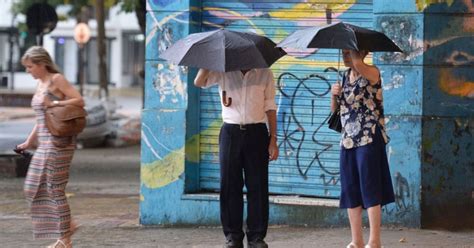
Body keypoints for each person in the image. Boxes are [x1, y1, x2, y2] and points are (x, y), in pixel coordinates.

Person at [194, 68, 279, 248]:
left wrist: (273, 140)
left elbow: (270, 107)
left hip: (257, 132)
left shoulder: (264, 73)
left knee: (258, 186)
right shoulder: (224, 71)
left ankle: (256, 237)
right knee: (230, 185)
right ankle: (233, 236)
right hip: (230, 132)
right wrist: (206, 65)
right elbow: (199, 83)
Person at [17, 46, 84, 248]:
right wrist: (29, 142)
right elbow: (41, 118)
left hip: (59, 143)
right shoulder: (40, 83)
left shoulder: (57, 80)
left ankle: (65, 240)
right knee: (31, 188)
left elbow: (79, 101)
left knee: (55, 189)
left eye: (30, 66)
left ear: (41, 64)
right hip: (44, 143)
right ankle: (68, 225)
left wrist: (54, 103)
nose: (28, 71)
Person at [330, 49, 395, 248]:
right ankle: (356, 240)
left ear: (362, 52)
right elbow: (336, 112)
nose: (345, 56)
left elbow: (360, 66)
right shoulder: (344, 76)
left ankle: (374, 241)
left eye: (349, 52)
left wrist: (358, 56)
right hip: (348, 140)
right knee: (350, 189)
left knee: (370, 187)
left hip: (369, 137)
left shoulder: (372, 72)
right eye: (343, 52)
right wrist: (334, 96)